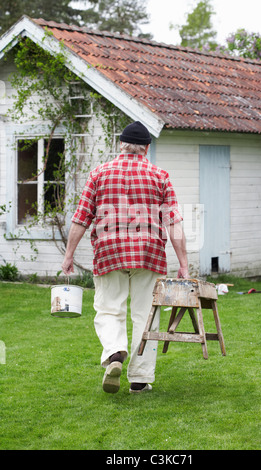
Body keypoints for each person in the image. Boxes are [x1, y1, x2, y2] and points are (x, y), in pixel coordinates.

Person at [62, 121, 189, 394]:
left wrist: (69, 255)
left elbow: (81, 218)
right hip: (149, 255)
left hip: (109, 252)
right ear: (146, 147)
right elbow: (173, 223)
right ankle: (139, 379)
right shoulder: (160, 176)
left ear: (121, 144)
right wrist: (183, 263)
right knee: (146, 315)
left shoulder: (99, 174)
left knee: (109, 308)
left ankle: (115, 352)